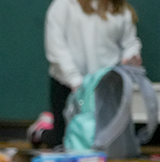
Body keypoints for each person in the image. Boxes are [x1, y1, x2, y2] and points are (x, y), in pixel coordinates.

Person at [29, 0, 142, 148]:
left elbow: (130, 43)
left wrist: (131, 54)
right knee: (63, 142)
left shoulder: (120, 9)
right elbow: (55, 46)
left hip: (105, 87)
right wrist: (74, 79)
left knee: (102, 140)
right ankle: (41, 129)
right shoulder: (63, 5)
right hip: (67, 83)